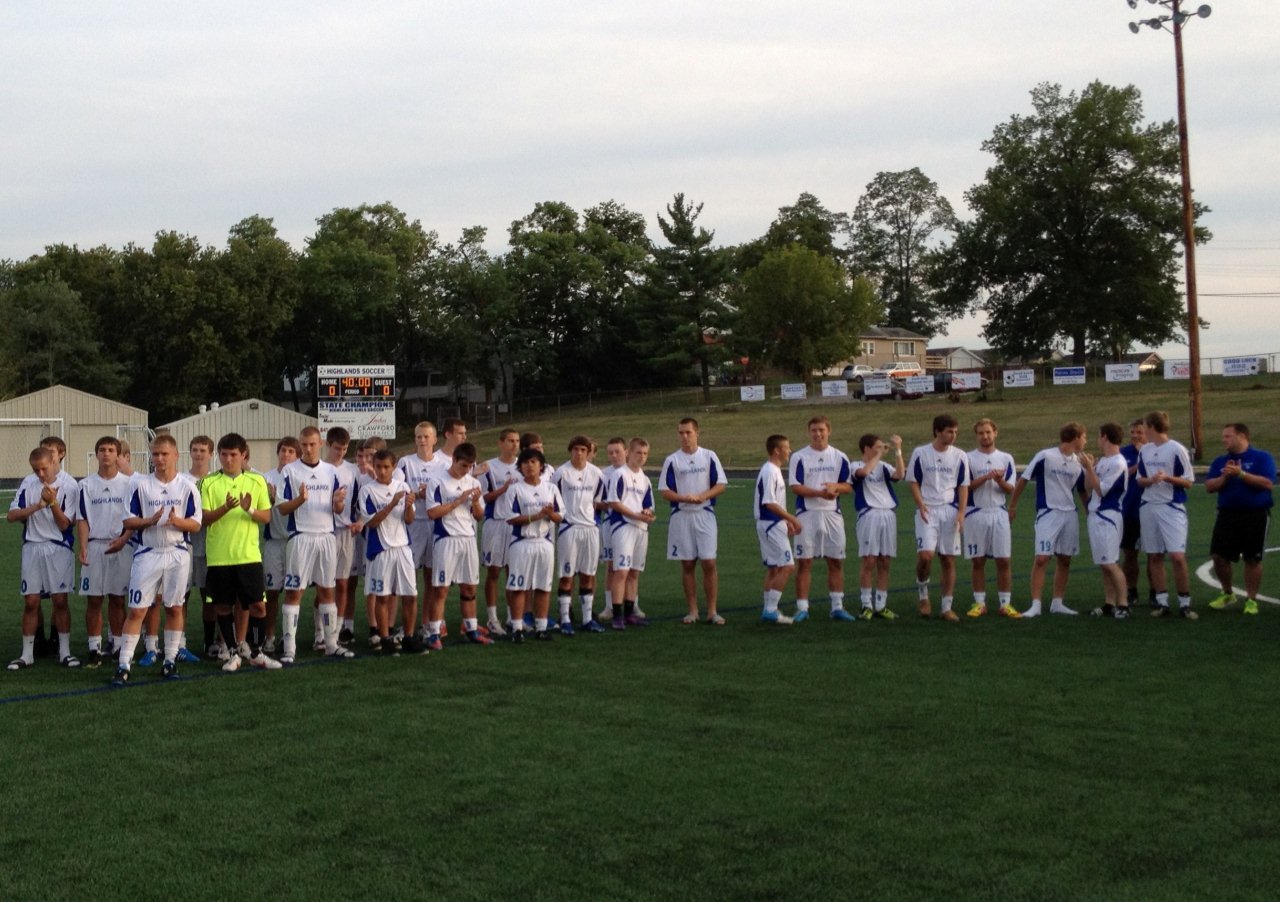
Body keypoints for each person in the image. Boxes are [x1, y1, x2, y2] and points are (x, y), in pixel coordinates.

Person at [111, 435, 203, 684]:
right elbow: (128, 521)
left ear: (175, 455)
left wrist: (176, 521)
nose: (159, 459)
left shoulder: (187, 487)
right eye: (155, 454)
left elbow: (195, 523)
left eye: (164, 454)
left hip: (177, 553)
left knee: (174, 607)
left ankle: (170, 660)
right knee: (137, 609)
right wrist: (149, 521)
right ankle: (123, 664)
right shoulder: (140, 485)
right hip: (148, 552)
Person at [199, 432, 281, 670]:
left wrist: (250, 510)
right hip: (220, 557)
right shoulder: (209, 483)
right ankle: (233, 652)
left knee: (258, 605)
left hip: (249, 556)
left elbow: (266, 517)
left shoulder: (256, 482)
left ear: (243, 455)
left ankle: (255, 651)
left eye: (233, 455)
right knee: (222, 605)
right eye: (223, 455)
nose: (228, 460)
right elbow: (204, 519)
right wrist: (225, 507)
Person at [277, 426, 355, 662]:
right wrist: (300, 499)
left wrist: (338, 502)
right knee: (294, 592)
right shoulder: (290, 471)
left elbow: (337, 509)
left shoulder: (331, 471)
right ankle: (289, 648)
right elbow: (281, 508)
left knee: (326, 591)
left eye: (312, 444)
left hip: (326, 537)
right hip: (301, 536)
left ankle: (331, 644)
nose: (307, 448)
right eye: (304, 444)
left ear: (320, 444)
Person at [7, 447, 80, 670]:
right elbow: (11, 516)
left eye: (43, 469)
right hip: (32, 547)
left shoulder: (69, 485)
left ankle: (65, 652)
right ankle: (27, 654)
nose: (40, 474)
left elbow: (66, 523)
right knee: (31, 602)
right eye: (35, 469)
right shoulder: (28, 484)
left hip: (58, 548)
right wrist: (37, 506)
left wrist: (53, 504)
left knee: (60, 600)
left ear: (54, 462)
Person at [1009, 422, 1088, 617]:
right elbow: (1024, 479)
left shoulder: (1079, 463)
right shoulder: (1045, 456)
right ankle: (1036, 604)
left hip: (1069, 514)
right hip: (1048, 513)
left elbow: (1082, 491)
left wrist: (1089, 513)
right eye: (1084, 437)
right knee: (1042, 558)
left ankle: (1057, 602)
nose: (1086, 441)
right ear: (1076, 437)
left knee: (1065, 559)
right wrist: (1012, 505)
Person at [660, 418, 728, 625]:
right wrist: (683, 498)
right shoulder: (672, 460)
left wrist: (703, 496)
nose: (684, 437)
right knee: (688, 564)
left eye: (688, 432)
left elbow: (721, 484)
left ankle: (712, 611)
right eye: (681, 433)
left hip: (705, 514)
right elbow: (665, 491)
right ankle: (693, 610)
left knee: (709, 562)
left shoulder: (709, 456)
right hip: (681, 516)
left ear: (697, 433)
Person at [788, 415, 855, 622]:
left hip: (832, 515)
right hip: (807, 515)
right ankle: (802, 608)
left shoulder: (839, 456)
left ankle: (837, 607)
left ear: (829, 431)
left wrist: (836, 488)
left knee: (835, 561)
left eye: (821, 430)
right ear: (809, 432)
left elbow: (848, 485)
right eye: (814, 430)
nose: (818, 434)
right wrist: (820, 493)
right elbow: (795, 486)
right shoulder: (799, 457)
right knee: (804, 562)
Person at [1205, 423, 1276, 616]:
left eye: (1228, 436)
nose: (1223, 440)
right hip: (1227, 514)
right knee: (1218, 556)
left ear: (1242, 436)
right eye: (1223, 436)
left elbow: (1268, 483)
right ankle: (1227, 592)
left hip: (1256, 514)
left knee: (1252, 558)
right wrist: (1225, 478)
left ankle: (1251, 599)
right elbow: (1210, 486)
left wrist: (1241, 474)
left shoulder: (1262, 457)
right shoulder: (1221, 461)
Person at [75, 436, 134, 667]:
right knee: (94, 600)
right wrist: (83, 547)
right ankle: (94, 649)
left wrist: (124, 539)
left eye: (111, 450)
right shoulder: (86, 485)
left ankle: (119, 646)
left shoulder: (128, 484)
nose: (106, 454)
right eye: (102, 450)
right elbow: (82, 519)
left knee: (118, 599)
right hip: (96, 546)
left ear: (118, 455)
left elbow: (132, 518)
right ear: (96, 454)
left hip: (121, 545)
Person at [424, 442, 490, 648]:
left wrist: (476, 502)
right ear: (453, 460)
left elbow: (479, 516)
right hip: (446, 539)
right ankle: (433, 633)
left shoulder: (473, 483)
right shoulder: (437, 482)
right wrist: (458, 501)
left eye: (470, 466)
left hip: (468, 539)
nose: (466, 470)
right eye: (463, 465)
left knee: (470, 586)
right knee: (441, 589)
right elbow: (432, 513)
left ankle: (471, 629)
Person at [358, 449, 423, 655]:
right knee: (383, 596)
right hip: (381, 550)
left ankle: (409, 637)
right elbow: (372, 523)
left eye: (386, 467)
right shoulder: (367, 491)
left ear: (393, 467)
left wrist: (409, 506)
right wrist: (392, 503)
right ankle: (384, 638)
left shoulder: (402, 487)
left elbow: (409, 519)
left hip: (403, 548)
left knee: (410, 595)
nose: (382, 471)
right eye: (378, 467)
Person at [907, 414, 970, 622]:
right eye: (949, 431)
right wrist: (921, 504)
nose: (953, 436)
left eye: (955, 432)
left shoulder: (960, 455)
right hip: (928, 510)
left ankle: (946, 607)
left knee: (948, 558)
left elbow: (963, 485)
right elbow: (913, 481)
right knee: (926, 556)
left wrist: (961, 512)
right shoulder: (921, 453)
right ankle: (923, 593)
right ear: (937, 431)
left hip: (949, 511)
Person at [1136, 411, 1197, 619]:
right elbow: (1139, 479)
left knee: (1177, 557)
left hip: (1171, 507)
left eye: (1144, 425)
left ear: (1152, 426)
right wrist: (1150, 480)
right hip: (1148, 506)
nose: (1142, 430)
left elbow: (1189, 481)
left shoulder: (1176, 449)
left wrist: (1167, 478)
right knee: (1154, 555)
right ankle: (1162, 602)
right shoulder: (1144, 450)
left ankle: (1185, 603)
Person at [504, 448, 564, 642]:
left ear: (541, 466)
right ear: (520, 467)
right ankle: (517, 628)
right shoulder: (515, 489)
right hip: (522, 543)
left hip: (544, 543)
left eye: (533, 462)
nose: (530, 466)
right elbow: (511, 519)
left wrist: (550, 514)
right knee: (519, 587)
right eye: (525, 463)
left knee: (543, 586)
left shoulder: (551, 489)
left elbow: (560, 516)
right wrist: (535, 516)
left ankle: (541, 627)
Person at [964, 419, 1020, 618]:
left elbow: (1010, 488)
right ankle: (979, 603)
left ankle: (1005, 604)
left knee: (1003, 559)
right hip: (975, 513)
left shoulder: (1006, 458)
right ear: (976, 435)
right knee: (978, 560)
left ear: (995, 433)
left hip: (999, 513)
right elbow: (966, 486)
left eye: (988, 432)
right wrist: (986, 477)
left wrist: (999, 480)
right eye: (980, 433)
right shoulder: (968, 458)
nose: (985, 436)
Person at [552, 435, 606, 634]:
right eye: (575, 449)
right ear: (570, 451)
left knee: (588, 574)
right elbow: (554, 500)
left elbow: (598, 501)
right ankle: (565, 619)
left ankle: (587, 618)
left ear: (589, 451)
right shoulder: (561, 473)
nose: (579, 453)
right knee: (566, 575)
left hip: (590, 530)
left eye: (583, 450)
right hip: (569, 529)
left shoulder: (597, 474)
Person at [397, 421, 444, 642]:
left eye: (426, 436)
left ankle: (428, 624)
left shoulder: (445, 463)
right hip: (413, 524)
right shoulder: (405, 463)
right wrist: (416, 493)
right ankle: (405, 625)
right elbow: (396, 490)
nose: (422, 440)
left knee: (431, 577)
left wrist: (432, 493)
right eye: (418, 437)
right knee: (408, 577)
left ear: (435, 439)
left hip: (436, 525)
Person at [852, 432, 904, 620]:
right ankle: (867, 605)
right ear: (867, 449)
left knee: (885, 561)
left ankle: (881, 605)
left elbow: (899, 475)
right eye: (877, 446)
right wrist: (879, 455)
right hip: (869, 514)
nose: (882, 449)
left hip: (888, 514)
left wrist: (898, 451)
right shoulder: (856, 465)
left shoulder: (883, 467)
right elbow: (864, 473)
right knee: (869, 560)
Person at [1082, 423, 1131, 619]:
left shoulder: (1118, 462)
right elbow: (1088, 488)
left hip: (1108, 515)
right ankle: (1110, 603)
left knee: (1111, 563)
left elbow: (1102, 490)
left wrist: (1090, 470)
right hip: (1096, 514)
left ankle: (1124, 604)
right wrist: (1089, 469)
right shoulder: (1103, 461)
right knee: (1104, 562)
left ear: (1105, 437)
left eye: (1099, 436)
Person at [607, 438, 656, 631]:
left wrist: (647, 514)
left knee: (634, 572)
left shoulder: (645, 479)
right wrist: (635, 514)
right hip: (623, 526)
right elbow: (614, 502)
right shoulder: (620, 474)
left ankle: (629, 613)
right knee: (622, 571)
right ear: (629, 453)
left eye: (645, 453)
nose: (642, 457)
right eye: (638, 453)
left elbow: (649, 506)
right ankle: (616, 615)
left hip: (640, 529)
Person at [260, 436, 300, 655]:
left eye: (291, 451)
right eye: (283, 450)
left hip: (295, 541)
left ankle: (289, 637)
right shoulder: (267, 478)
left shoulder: (299, 477)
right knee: (272, 592)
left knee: (294, 592)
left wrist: (279, 499)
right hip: (274, 542)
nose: (286, 455)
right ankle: (269, 636)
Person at [756, 434, 802, 624]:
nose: (789, 451)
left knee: (774, 568)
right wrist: (792, 518)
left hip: (773, 523)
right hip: (770, 524)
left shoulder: (773, 470)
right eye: (787, 447)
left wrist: (787, 521)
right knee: (787, 566)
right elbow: (769, 503)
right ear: (777, 450)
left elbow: (775, 502)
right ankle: (771, 609)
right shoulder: (770, 471)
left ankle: (768, 609)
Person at [480, 429, 521, 636]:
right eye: (510, 441)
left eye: (517, 441)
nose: (514, 445)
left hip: (515, 524)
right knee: (494, 571)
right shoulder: (489, 467)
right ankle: (492, 618)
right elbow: (482, 498)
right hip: (495, 524)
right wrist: (503, 489)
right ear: (501, 443)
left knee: (512, 572)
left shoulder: (523, 466)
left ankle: (512, 617)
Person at [324, 427, 362, 645]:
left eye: (345, 449)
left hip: (346, 532)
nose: (341, 452)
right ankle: (322, 632)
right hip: (325, 531)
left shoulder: (352, 470)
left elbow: (357, 501)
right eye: (337, 448)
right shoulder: (321, 468)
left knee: (343, 583)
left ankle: (339, 629)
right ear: (329, 445)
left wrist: (358, 521)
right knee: (324, 584)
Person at [185, 435, 215, 664]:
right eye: (195, 450)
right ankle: (180, 642)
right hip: (185, 547)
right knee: (181, 597)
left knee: (209, 597)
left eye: (203, 450)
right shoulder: (182, 480)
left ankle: (209, 641)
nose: (198, 454)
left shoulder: (216, 480)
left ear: (211, 454)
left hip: (210, 547)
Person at [595, 437, 628, 622]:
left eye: (618, 451)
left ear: (626, 451)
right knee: (611, 565)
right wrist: (608, 505)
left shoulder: (633, 473)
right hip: (610, 523)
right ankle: (609, 606)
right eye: (610, 452)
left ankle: (633, 603)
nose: (614, 456)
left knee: (630, 568)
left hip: (632, 525)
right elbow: (595, 502)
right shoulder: (603, 474)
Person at [1119, 419, 1150, 608]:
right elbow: (1118, 474)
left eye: (1139, 432)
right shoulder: (1123, 453)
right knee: (1129, 553)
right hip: (1129, 509)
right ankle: (1131, 590)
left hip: (1151, 509)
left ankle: (1156, 592)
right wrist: (1138, 464)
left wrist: (1145, 457)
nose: (1136, 436)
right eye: (1133, 432)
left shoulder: (1157, 451)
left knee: (1154, 555)